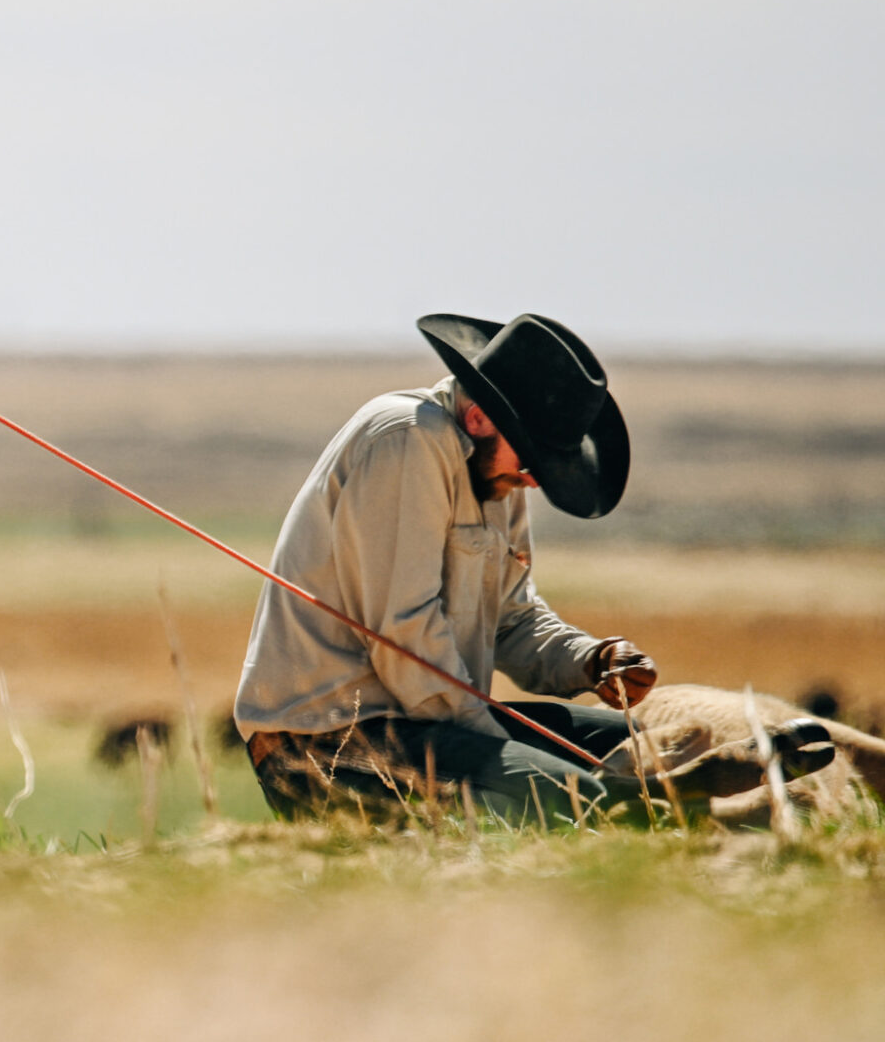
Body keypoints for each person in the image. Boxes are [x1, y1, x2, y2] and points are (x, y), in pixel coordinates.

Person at [233, 312, 829, 824]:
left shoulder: (497, 476)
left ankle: (711, 789)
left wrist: (588, 659)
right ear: (478, 419)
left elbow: (513, 618)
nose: (537, 478)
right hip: (331, 744)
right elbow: (402, 632)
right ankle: (705, 807)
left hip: (431, 721)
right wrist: (496, 740)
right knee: (579, 792)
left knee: (639, 746)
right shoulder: (406, 440)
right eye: (535, 456)